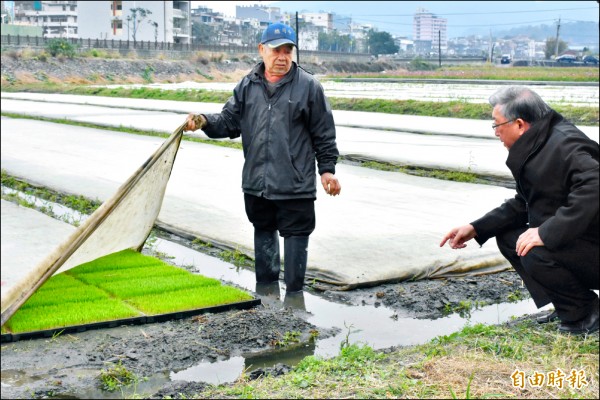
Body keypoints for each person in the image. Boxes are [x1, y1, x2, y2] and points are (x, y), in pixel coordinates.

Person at [184, 22, 341, 296]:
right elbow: (230, 122)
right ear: (262, 50)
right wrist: (205, 121)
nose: (282, 57)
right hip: (258, 185)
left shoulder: (309, 87)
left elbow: (324, 133)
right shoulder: (248, 85)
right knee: (264, 243)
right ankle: (266, 308)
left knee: (294, 265)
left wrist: (327, 171)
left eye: (288, 51)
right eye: (276, 50)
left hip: (295, 187)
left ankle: (294, 306)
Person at [440, 86, 599, 335]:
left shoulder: (565, 145)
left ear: (520, 124)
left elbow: (595, 185)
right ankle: (569, 304)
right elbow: (524, 203)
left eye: (496, 125)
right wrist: (476, 228)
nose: (496, 133)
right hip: (583, 241)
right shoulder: (539, 145)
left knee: (534, 248)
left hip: (593, 245)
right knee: (510, 238)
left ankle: (586, 314)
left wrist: (547, 232)